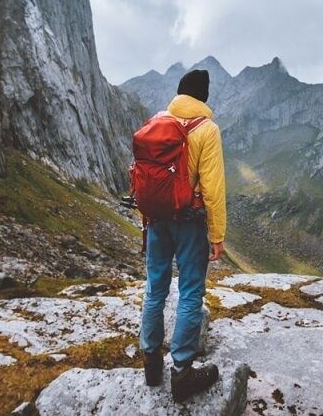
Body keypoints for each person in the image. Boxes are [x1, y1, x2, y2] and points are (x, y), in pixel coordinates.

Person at [139, 69, 226, 403]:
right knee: (190, 292)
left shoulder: (156, 122)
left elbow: (144, 179)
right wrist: (217, 235)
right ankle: (182, 373)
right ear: (202, 98)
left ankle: (150, 362)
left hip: (156, 220)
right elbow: (213, 189)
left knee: (155, 289)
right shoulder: (207, 130)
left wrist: (146, 218)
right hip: (189, 222)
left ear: (179, 94)